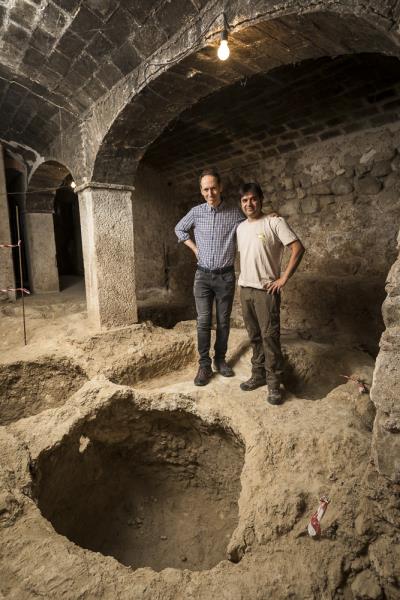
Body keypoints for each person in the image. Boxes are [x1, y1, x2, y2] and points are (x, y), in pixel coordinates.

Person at [175, 168, 245, 386]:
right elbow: (179, 230)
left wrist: (269, 215)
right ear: (201, 190)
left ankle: (221, 360)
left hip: (225, 277)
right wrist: (195, 249)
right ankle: (204, 365)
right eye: (206, 189)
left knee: (223, 322)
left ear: (220, 187)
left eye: (213, 187)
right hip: (203, 277)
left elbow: (253, 223)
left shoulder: (235, 213)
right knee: (203, 321)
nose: (210, 192)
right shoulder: (196, 212)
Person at [237, 182, 305, 405]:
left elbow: (297, 247)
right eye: (245, 200)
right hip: (245, 289)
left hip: (265, 292)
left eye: (253, 199)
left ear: (261, 200)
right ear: (241, 203)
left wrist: (283, 278)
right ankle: (258, 376)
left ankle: (274, 384)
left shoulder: (275, 222)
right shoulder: (241, 228)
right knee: (255, 336)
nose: (249, 203)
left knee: (270, 338)